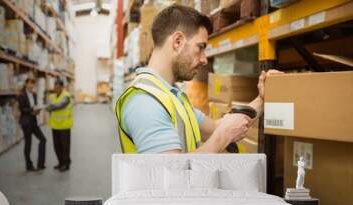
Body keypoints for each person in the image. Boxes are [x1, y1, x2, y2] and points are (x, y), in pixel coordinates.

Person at [115, 5, 282, 154]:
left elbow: (217, 127)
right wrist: (222, 138)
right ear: (178, 41)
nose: (204, 59)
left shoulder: (172, 97)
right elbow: (172, 177)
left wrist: (261, 99)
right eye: (200, 47)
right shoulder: (145, 102)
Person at [18, 78, 46, 171]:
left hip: (33, 121)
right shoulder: (22, 95)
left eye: (33, 84)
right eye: (30, 84)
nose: (31, 86)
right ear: (26, 84)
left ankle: (40, 164)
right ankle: (29, 165)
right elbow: (22, 109)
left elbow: (34, 106)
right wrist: (32, 110)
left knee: (43, 139)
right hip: (26, 122)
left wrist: (37, 111)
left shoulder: (34, 94)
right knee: (28, 143)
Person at [46, 79, 73, 172]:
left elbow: (60, 105)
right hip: (55, 125)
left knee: (65, 147)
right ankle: (60, 162)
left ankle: (66, 164)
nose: (55, 89)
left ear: (62, 87)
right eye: (54, 86)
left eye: (57, 87)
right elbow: (48, 106)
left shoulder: (67, 96)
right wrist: (49, 107)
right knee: (56, 146)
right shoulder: (52, 96)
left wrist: (50, 107)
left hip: (64, 126)